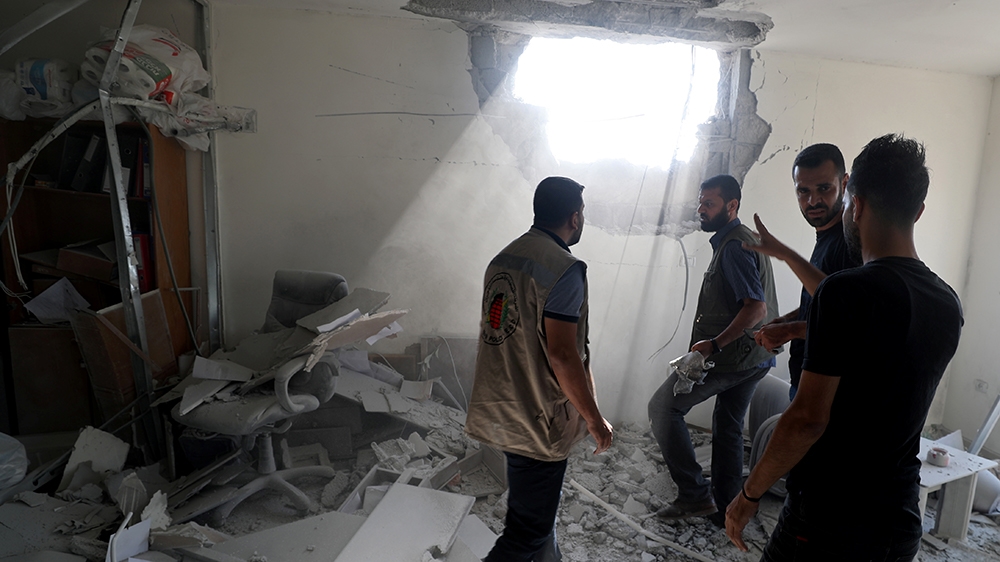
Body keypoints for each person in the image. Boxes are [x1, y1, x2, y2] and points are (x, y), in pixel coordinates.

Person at [725, 134, 964, 561]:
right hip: (900, 521)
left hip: (828, 521)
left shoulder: (846, 292)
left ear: (856, 202)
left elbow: (806, 421)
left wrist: (749, 493)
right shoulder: (947, 303)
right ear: (919, 211)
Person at [465, 176, 613, 562]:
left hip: (502, 406)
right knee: (525, 534)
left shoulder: (504, 258)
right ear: (575, 217)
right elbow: (564, 356)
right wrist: (594, 420)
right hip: (537, 418)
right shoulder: (564, 269)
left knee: (536, 516)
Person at [648, 174, 778, 526]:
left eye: (710, 204)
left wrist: (713, 345)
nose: (701, 210)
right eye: (700, 203)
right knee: (729, 426)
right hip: (755, 357)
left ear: (732, 206)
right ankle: (724, 510)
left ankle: (694, 495)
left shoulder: (735, 246)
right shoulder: (737, 241)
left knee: (662, 407)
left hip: (735, 358)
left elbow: (756, 309)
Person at [749, 143, 863, 400]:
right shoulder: (826, 237)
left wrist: (789, 331)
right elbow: (821, 300)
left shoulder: (849, 242)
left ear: (844, 183)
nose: (813, 201)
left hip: (827, 391)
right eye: (803, 191)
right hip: (805, 381)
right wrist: (789, 319)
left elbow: (846, 323)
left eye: (824, 188)